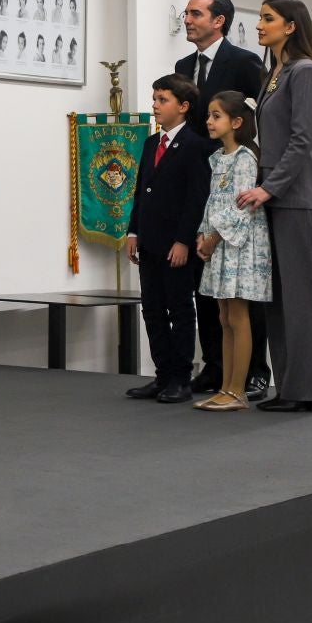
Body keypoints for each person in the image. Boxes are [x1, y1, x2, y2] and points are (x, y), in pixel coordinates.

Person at [237, 0, 312, 414]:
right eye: (260, 17)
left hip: (297, 198)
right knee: (276, 298)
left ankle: (305, 389)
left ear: (291, 26)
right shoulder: (274, 73)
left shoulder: (306, 72)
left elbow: (302, 141)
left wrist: (268, 188)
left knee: (300, 299)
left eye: (267, 18)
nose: (259, 24)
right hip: (275, 197)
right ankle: (290, 387)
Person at [178, 0, 272, 400]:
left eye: (195, 13)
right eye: (186, 13)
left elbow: (260, 117)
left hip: (239, 173)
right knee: (209, 288)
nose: (187, 19)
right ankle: (216, 367)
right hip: (202, 175)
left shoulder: (245, 62)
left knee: (244, 296)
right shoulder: (184, 66)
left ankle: (253, 371)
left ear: (219, 21)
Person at [125, 75, 210, 404]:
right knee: (152, 310)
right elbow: (140, 192)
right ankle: (161, 375)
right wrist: (133, 231)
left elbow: (195, 198)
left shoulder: (195, 145)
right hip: (148, 241)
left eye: (163, 100)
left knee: (180, 309)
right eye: (155, 99)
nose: (155, 105)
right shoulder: (150, 144)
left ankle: (181, 377)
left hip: (176, 245)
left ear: (184, 106)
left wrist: (183, 240)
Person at [194, 92, 273, 411]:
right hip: (219, 242)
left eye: (216, 116)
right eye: (209, 115)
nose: (209, 121)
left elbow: (242, 206)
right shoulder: (218, 158)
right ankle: (226, 387)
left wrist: (213, 236)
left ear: (236, 122)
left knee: (238, 316)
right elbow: (213, 202)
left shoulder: (244, 157)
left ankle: (238, 392)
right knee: (224, 315)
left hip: (239, 245)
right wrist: (203, 234)